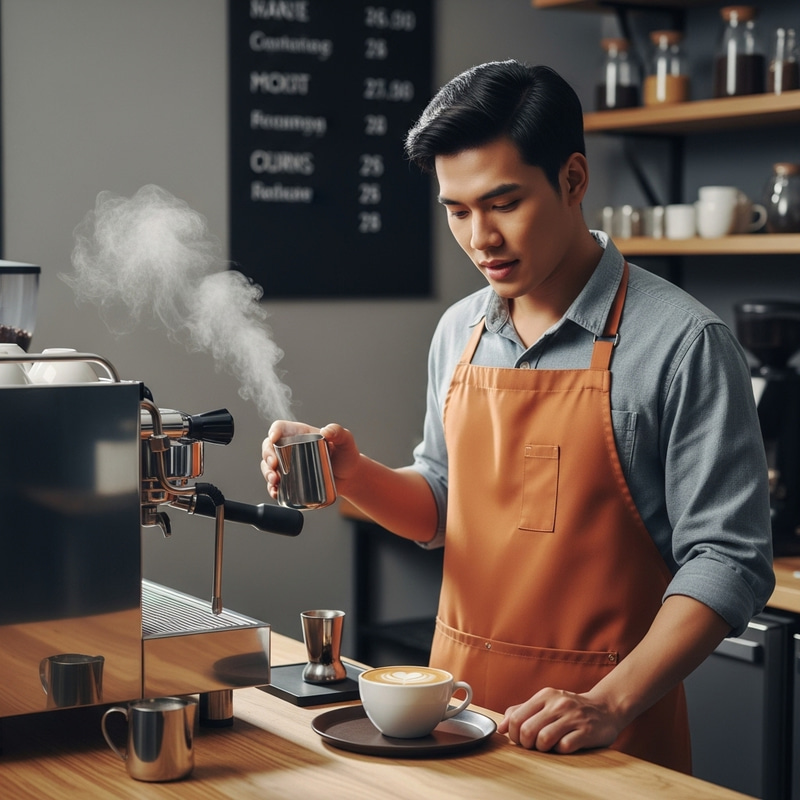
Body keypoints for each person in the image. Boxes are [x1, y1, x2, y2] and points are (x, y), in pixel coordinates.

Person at [261, 61, 774, 773]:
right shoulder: (457, 332)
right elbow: (443, 509)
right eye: (457, 210)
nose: (481, 238)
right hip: (455, 723)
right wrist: (352, 474)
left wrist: (610, 701)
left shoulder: (684, 343)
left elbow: (730, 561)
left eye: (503, 203)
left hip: (608, 741)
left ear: (572, 180)